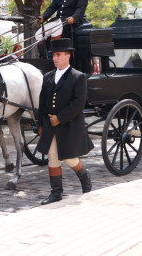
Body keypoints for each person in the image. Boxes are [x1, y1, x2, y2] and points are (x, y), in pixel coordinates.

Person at [36, 38, 93, 205]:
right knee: (52, 156)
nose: (55, 58)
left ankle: (84, 175)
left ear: (68, 56)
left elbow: (78, 103)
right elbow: (42, 101)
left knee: (69, 158)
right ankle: (56, 193)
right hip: (49, 125)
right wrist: (40, 124)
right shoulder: (47, 77)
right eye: (54, 55)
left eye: (59, 55)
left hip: (69, 125)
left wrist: (60, 118)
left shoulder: (78, 77)